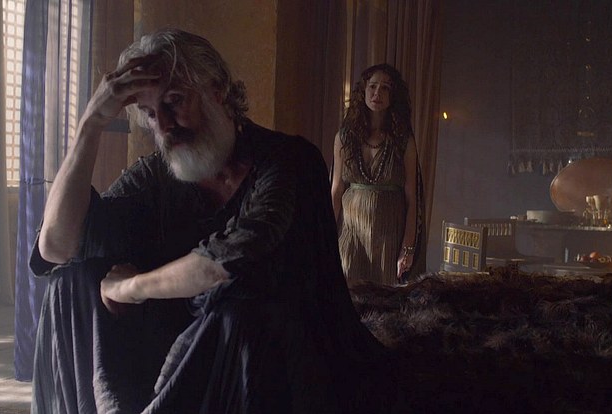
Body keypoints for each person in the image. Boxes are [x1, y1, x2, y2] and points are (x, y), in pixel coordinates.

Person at [30, 28, 393, 413]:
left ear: (217, 89)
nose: (164, 126)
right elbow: (56, 247)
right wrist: (91, 123)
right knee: (73, 281)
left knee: (236, 314)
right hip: (191, 347)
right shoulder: (157, 174)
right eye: (151, 114)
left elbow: (227, 263)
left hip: (285, 354)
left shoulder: (289, 160)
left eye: (175, 101)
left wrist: (132, 287)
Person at [331, 63, 422, 285]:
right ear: (363, 91)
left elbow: (412, 198)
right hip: (351, 233)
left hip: (388, 236)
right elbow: (336, 191)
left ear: (393, 96)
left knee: (384, 298)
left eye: (385, 88)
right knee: (347, 293)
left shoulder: (403, 140)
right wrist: (324, 240)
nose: (377, 93)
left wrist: (407, 248)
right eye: (372, 86)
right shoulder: (345, 138)